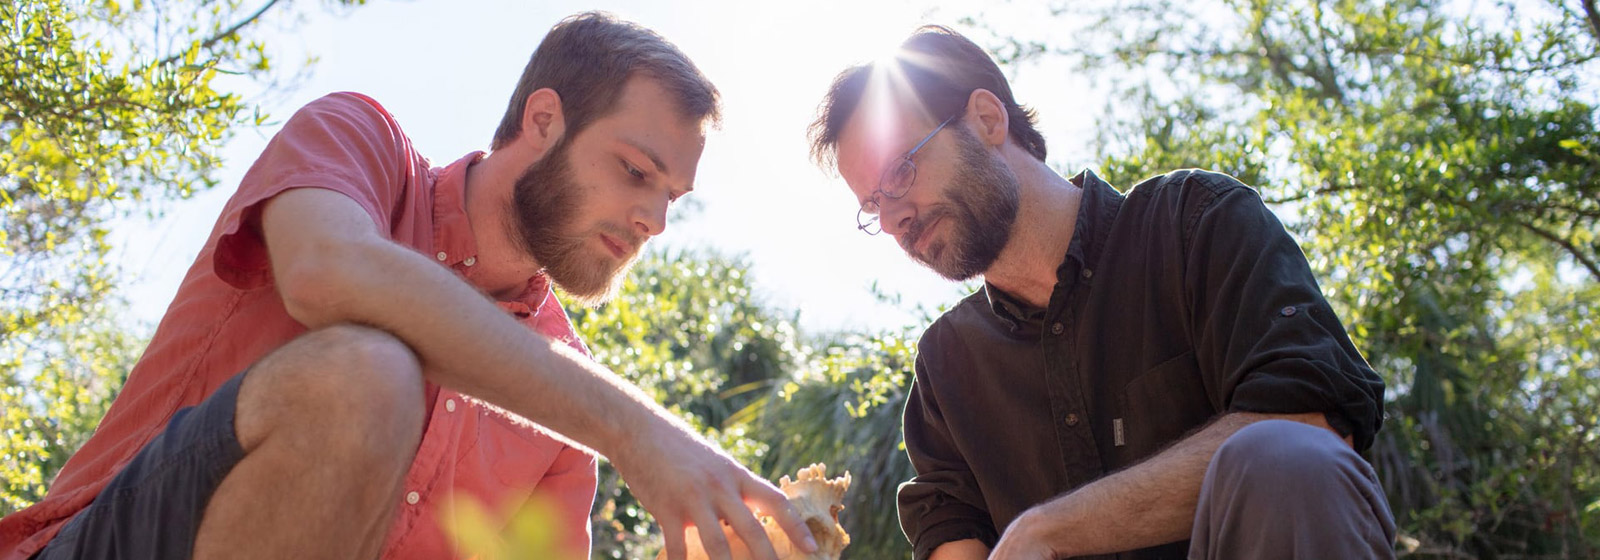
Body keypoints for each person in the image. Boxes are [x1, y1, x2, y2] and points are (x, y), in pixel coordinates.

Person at [0, 12, 816, 560]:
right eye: (636, 171)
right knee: (364, 374)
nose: (653, 222)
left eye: (671, 198)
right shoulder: (359, 143)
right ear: (542, 121)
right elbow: (330, 274)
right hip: (101, 540)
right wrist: (641, 434)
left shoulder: (565, 417)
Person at [807, 26, 1395, 560]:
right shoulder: (944, 365)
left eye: (901, 172)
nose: (892, 220)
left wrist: (1051, 531)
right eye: (872, 206)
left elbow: (1307, 428)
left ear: (987, 120)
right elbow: (951, 542)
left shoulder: (1196, 225)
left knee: (1282, 458)